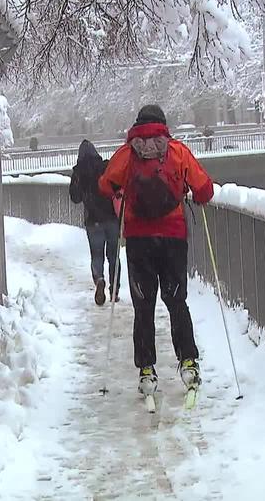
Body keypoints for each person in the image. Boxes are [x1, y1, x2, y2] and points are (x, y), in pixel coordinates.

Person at [98, 104, 214, 394]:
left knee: (143, 305)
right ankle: (188, 361)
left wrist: (121, 192)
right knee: (177, 301)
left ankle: (147, 370)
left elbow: (104, 185)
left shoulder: (127, 153)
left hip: (138, 238)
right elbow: (204, 190)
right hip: (173, 235)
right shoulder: (177, 151)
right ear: (163, 125)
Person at [69, 139, 121, 306]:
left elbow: (75, 198)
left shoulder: (78, 172)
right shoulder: (105, 167)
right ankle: (115, 290)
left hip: (93, 222)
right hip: (112, 219)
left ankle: (99, 279)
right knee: (114, 256)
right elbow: (117, 187)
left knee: (97, 255)